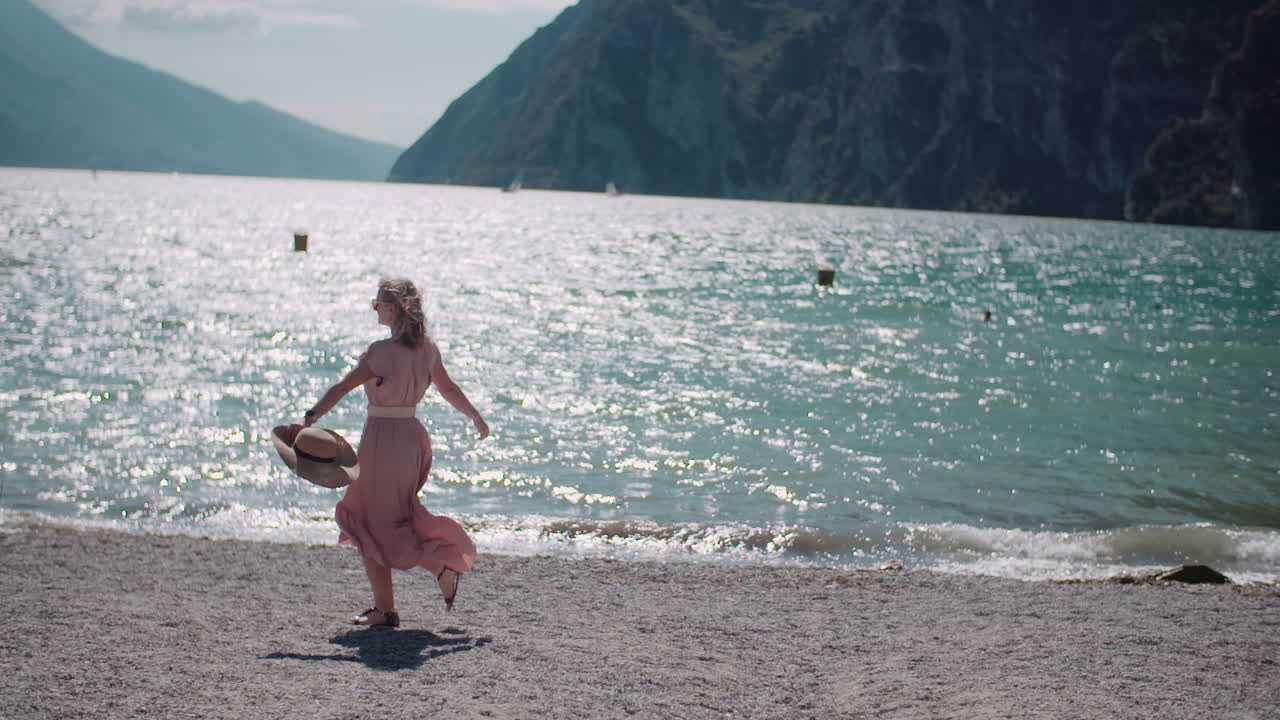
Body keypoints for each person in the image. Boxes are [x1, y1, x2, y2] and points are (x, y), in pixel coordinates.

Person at [302, 276, 489, 627]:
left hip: (382, 442)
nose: (374, 309)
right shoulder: (427, 350)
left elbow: (343, 386)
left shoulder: (380, 353)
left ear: (393, 309)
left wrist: (312, 416)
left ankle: (438, 566)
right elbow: (448, 388)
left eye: (377, 304)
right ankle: (385, 610)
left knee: (369, 520)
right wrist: (475, 416)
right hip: (410, 439)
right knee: (384, 519)